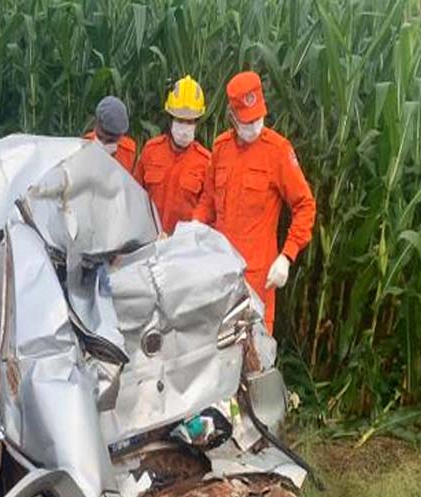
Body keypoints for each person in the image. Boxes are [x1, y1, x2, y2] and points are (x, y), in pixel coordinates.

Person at [192, 71, 315, 333]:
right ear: (232, 118)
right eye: (247, 122)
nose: (255, 127)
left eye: (258, 118)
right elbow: (208, 200)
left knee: (254, 361)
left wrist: (286, 256)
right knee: (216, 357)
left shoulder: (278, 151)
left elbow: (305, 205)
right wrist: (194, 226)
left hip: (257, 280)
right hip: (219, 275)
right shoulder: (221, 148)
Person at [133, 75, 210, 233]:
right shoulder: (151, 151)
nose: (184, 127)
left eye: (190, 122)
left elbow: (206, 207)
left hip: (183, 247)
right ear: (170, 120)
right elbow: (135, 194)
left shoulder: (205, 162)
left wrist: (191, 230)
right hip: (149, 241)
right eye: (180, 120)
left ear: (198, 123)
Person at [84, 95, 136, 172]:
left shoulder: (129, 151)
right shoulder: (84, 145)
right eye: (100, 137)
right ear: (96, 124)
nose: (104, 143)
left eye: (110, 141)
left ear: (121, 135)